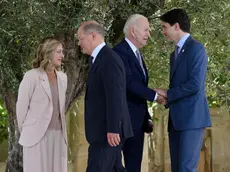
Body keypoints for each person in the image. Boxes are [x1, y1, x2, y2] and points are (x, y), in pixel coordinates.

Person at [155, 8, 212, 172]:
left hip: (192, 119)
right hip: (176, 120)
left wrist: (168, 93)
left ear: (176, 26)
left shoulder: (197, 49)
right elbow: (180, 86)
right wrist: (167, 98)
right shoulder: (174, 55)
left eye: (164, 27)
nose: (163, 31)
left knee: (186, 169)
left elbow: (195, 84)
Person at [77, 20, 133, 172]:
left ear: (93, 36)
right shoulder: (98, 58)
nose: (79, 43)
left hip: (107, 133)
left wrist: (113, 128)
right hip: (104, 132)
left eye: (81, 38)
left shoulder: (108, 59)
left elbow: (115, 95)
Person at [113, 14, 165, 172]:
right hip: (121, 122)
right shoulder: (119, 53)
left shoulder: (137, 54)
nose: (148, 34)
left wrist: (146, 118)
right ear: (133, 31)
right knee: (113, 166)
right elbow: (129, 84)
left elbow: (139, 86)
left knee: (134, 167)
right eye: (146, 30)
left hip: (136, 122)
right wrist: (155, 96)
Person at [16, 37, 68, 172]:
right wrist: (29, 130)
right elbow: (21, 109)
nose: (62, 55)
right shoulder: (31, 76)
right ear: (48, 52)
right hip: (36, 137)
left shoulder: (63, 78)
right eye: (59, 52)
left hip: (58, 135)